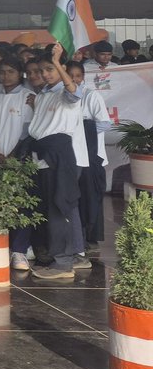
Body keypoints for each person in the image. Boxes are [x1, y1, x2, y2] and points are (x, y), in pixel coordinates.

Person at [28, 45, 91, 280]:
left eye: (49, 69)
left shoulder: (66, 93)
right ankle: (69, 257)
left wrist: (57, 62)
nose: (45, 74)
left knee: (59, 207)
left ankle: (63, 263)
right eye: (41, 70)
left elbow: (73, 92)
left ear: (60, 68)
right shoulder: (44, 94)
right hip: (44, 155)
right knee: (61, 207)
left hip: (60, 156)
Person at [0, 56, 35, 270]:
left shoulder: (27, 97)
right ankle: (3, 246)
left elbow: (27, 131)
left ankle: (20, 250)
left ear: (20, 74)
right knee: (0, 202)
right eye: (2, 72)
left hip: (19, 159)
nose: (6, 76)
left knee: (21, 204)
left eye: (11, 71)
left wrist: (12, 155)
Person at [66, 60, 109, 249]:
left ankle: (91, 236)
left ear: (83, 77)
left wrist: (81, 130)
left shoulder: (91, 96)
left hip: (92, 155)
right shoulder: (62, 96)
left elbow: (104, 123)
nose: (74, 79)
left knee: (90, 197)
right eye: (70, 75)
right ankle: (78, 236)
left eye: (78, 76)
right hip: (73, 155)